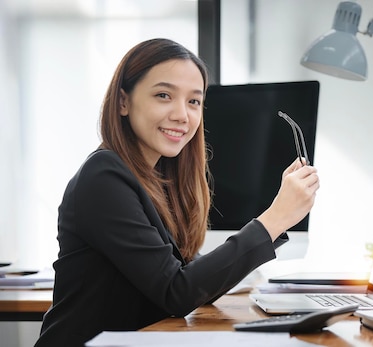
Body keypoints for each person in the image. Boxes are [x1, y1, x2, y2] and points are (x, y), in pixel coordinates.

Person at [35, 38, 320, 347]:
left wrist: (278, 220)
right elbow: (177, 292)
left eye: (194, 101)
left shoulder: (157, 177)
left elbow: (191, 278)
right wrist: (275, 218)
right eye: (163, 95)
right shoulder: (103, 177)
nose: (182, 115)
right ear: (123, 101)